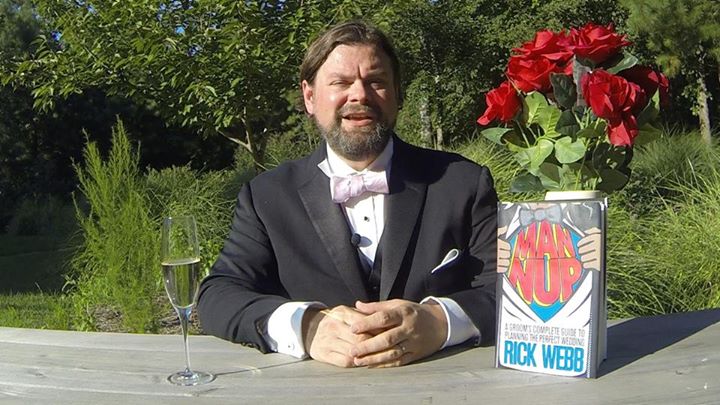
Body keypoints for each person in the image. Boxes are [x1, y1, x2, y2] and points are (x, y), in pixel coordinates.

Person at [197, 20, 498, 368]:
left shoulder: (463, 183)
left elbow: (509, 291)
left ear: (398, 94)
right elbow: (218, 294)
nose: (359, 95)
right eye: (340, 82)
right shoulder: (266, 196)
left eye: (376, 81)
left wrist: (440, 321)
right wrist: (307, 326)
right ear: (310, 97)